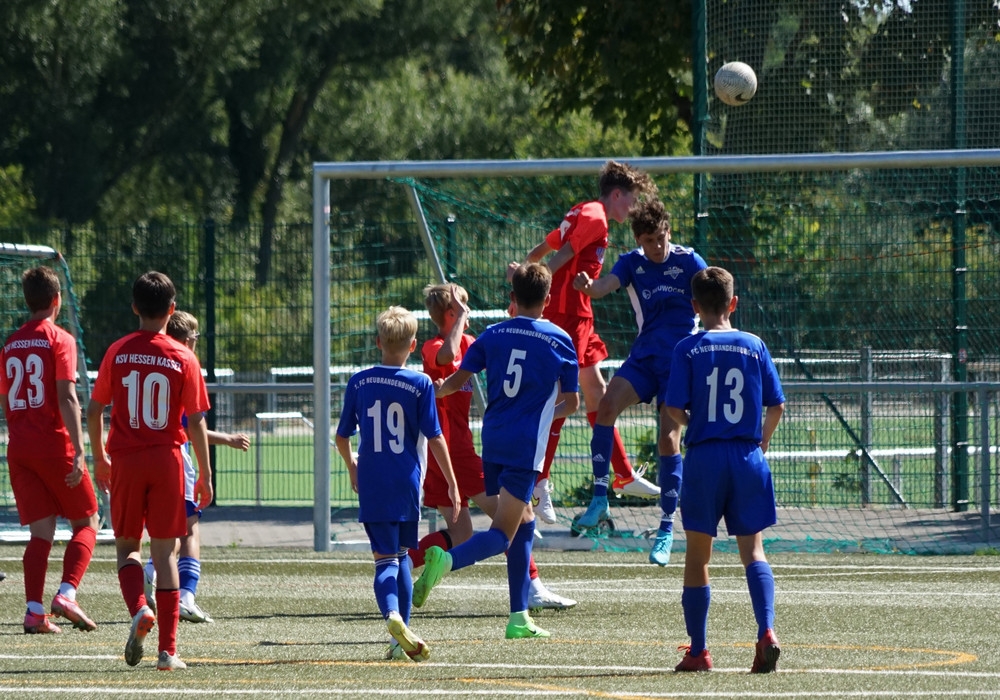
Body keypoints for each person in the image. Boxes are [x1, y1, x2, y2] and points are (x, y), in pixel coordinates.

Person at [412, 263, 580, 639]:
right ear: (548, 300)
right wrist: (541, 415)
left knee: (525, 522)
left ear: (512, 299)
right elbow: (571, 403)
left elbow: (454, 380)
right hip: (524, 446)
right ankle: (446, 560)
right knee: (503, 532)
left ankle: (519, 616)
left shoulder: (492, 335)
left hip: (492, 440)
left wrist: (434, 392)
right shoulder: (560, 339)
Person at [513, 160, 660, 524]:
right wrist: (528, 288)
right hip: (567, 317)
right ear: (615, 194)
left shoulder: (582, 210)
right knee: (566, 399)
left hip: (579, 316)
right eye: (630, 200)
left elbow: (543, 249)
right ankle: (540, 480)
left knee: (597, 393)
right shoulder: (595, 216)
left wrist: (524, 274)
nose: (633, 207)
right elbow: (560, 257)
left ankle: (623, 474)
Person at [87, 271, 213, 671]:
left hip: (125, 457)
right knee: (164, 552)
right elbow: (194, 422)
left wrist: (99, 457)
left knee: (127, 547)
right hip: (167, 460)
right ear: (172, 310)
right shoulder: (184, 357)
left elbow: (94, 409)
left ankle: (140, 607)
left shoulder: (118, 350)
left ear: (134, 307)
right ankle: (168, 652)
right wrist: (206, 475)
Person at [573, 199, 707, 566]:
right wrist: (589, 287)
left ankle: (665, 528)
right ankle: (600, 498)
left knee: (668, 438)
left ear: (669, 232)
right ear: (638, 240)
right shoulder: (633, 263)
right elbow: (605, 287)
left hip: (679, 363)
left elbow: (713, 295)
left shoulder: (689, 261)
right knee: (605, 408)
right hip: (645, 357)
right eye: (649, 241)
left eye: (661, 238)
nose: (657, 247)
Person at [664, 266, 785, 673]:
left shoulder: (687, 348)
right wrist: (760, 443)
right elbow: (777, 405)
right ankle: (766, 631)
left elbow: (673, 410)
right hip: (748, 457)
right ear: (733, 304)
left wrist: (693, 422)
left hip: (705, 459)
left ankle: (699, 651)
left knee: (698, 556)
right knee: (753, 550)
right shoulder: (755, 345)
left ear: (695, 306)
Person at [334, 305, 461, 663]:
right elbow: (435, 437)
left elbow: (342, 436)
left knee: (385, 560)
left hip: (373, 481)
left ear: (378, 342)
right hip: (407, 481)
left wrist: (352, 468)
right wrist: (451, 483)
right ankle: (399, 635)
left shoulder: (359, 381)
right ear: (413, 344)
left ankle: (391, 616)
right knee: (403, 555)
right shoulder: (420, 383)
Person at [0, 266, 100, 634]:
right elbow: (66, 395)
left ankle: (33, 611)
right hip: (53, 443)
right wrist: (78, 448)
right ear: (57, 300)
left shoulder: (10, 343)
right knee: (88, 522)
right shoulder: (60, 339)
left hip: (20, 448)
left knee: (40, 533)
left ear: (28, 300)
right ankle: (67, 593)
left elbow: (6, 398)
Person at [143, 311, 251, 624]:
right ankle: (184, 594)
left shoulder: (151, 361)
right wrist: (210, 468)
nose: (197, 342)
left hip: (145, 457)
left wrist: (226, 439)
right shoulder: (185, 365)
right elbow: (193, 424)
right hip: (176, 459)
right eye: (196, 336)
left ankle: (151, 571)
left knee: (169, 530)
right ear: (188, 339)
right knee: (189, 528)